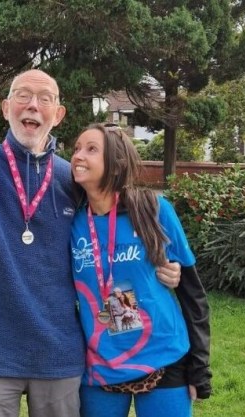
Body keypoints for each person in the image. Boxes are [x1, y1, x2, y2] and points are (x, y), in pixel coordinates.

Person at [0, 40, 182, 417]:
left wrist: (162, 266)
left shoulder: (74, 180)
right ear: (6, 108)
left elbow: (111, 237)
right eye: (22, 95)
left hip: (59, 355)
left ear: (59, 114)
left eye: (44, 98)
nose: (32, 104)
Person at [69, 123, 212, 417]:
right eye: (76, 149)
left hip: (163, 356)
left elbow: (192, 293)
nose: (78, 156)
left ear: (117, 162)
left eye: (91, 149)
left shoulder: (153, 209)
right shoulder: (70, 220)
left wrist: (200, 365)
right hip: (98, 363)